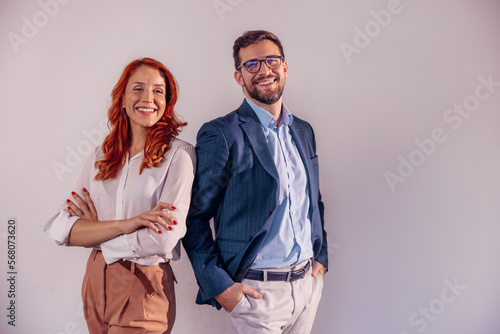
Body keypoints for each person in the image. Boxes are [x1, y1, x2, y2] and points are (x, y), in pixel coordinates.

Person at [182, 30, 328, 334]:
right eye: (252, 65)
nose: (264, 70)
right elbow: (194, 218)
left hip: (307, 288)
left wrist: (321, 258)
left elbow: (313, 199)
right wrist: (221, 287)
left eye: (271, 60)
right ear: (239, 77)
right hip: (255, 295)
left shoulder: (303, 130)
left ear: (285, 67)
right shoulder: (222, 134)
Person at [43, 58, 195, 334]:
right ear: (122, 99)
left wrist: (96, 234)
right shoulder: (101, 155)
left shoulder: (179, 155)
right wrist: (128, 223)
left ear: (167, 102)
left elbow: (162, 239)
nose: (148, 97)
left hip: (143, 285)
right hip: (94, 282)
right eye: (138, 88)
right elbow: (60, 227)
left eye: (158, 91)